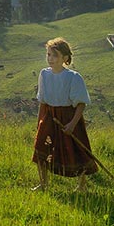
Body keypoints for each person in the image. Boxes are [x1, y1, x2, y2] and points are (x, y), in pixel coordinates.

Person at [32, 37, 98, 192]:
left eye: (54, 55)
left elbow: (81, 103)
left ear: (65, 58)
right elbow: (42, 101)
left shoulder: (73, 77)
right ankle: (43, 184)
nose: (50, 58)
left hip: (68, 116)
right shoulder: (44, 75)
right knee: (41, 148)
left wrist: (73, 124)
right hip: (49, 116)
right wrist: (39, 122)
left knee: (76, 150)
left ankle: (81, 186)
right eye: (48, 54)